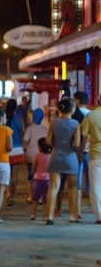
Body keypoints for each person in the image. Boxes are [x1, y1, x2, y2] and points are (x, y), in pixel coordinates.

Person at [46, 98, 80, 224]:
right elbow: (76, 144)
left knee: (54, 187)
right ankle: (72, 215)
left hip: (55, 156)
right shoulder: (76, 124)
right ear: (72, 109)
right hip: (70, 157)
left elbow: (48, 141)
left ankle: (49, 216)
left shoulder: (53, 123)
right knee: (73, 186)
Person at [80, 93, 101, 224]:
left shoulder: (91, 115)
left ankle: (100, 215)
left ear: (98, 100)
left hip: (95, 156)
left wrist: (80, 151)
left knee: (96, 187)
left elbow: (82, 136)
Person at [23, 108, 48, 203]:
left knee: (31, 176)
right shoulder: (46, 129)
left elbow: (25, 140)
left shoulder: (30, 128)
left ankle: (31, 196)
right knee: (42, 176)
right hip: (43, 155)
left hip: (31, 155)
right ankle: (41, 197)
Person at [72, 91, 90, 217]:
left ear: (77, 101)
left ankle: (77, 207)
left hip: (77, 150)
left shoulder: (74, 115)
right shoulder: (91, 114)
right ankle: (91, 199)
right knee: (93, 177)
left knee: (77, 178)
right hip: (91, 150)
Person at [5, 99, 26, 206]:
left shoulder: (4, 118)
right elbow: (24, 133)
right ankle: (12, 195)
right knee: (14, 175)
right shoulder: (19, 118)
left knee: (6, 174)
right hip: (17, 150)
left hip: (6, 150)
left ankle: (8, 194)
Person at [30, 137, 52, 220]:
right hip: (48, 179)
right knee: (45, 199)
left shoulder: (37, 155)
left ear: (40, 147)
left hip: (38, 179)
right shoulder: (51, 156)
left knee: (35, 198)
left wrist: (34, 170)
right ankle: (45, 215)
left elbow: (33, 167)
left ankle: (33, 215)